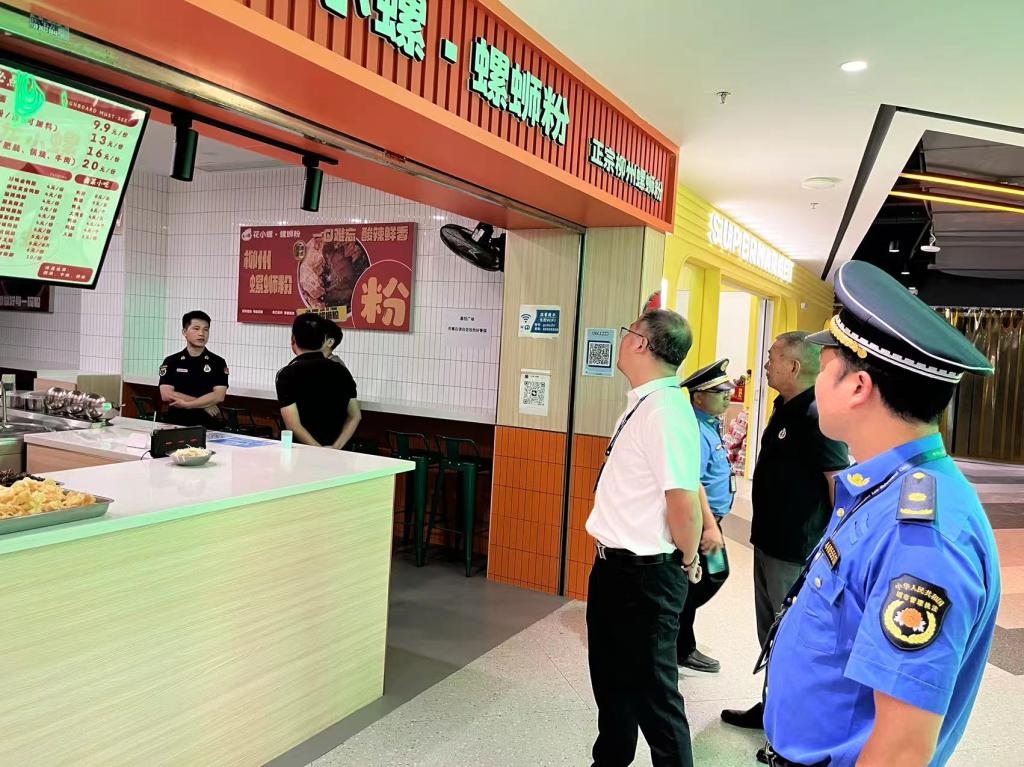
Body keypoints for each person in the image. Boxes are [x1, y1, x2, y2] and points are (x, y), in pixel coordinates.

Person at [759, 260, 1000, 767]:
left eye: (825, 367)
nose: (815, 382)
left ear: (858, 387)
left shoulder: (923, 539)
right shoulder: (883, 489)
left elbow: (901, 750)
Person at [585, 309, 703, 767]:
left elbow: (683, 502)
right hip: (613, 569)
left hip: (646, 576)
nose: (622, 339)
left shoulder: (666, 411)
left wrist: (688, 559)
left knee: (655, 699)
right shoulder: (644, 403)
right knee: (612, 685)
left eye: (628, 332)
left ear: (640, 343)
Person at [722, 331, 850, 730]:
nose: (766, 364)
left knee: (794, 640)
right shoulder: (784, 407)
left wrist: (836, 545)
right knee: (771, 635)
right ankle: (772, 709)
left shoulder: (817, 415)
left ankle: (794, 728)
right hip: (769, 543)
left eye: (772, 357)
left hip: (797, 551)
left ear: (794, 367)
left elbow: (838, 483)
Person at [676, 358, 735, 673]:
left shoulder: (710, 424)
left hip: (710, 522)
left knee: (709, 576)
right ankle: (680, 643)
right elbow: (692, 481)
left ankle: (677, 634)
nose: (727, 396)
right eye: (719, 392)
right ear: (698, 396)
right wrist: (708, 526)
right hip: (702, 523)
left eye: (727, 391)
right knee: (707, 576)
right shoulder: (697, 430)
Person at [275, 314, 361, 449]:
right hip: (337, 454)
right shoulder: (342, 371)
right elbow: (355, 416)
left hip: (301, 453)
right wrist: (335, 448)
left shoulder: (287, 374)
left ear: (293, 339)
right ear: (323, 341)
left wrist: (319, 450)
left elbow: (293, 425)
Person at [158, 310, 229, 428]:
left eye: (206, 329)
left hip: (207, 425)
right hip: (176, 424)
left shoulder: (218, 362)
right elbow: (166, 394)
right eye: (196, 329)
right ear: (184, 332)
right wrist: (205, 405)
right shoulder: (171, 361)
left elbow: (219, 396)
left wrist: (188, 405)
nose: (201, 333)